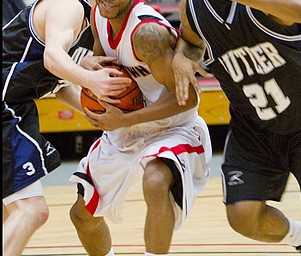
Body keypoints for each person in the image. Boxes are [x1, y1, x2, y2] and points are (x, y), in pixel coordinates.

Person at [171, 0, 301, 255]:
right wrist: (181, 56)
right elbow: (192, 41)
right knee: (243, 217)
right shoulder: (192, 7)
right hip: (253, 128)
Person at [68, 0, 212, 255]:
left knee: (155, 182)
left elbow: (188, 97)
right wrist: (89, 65)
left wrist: (125, 120)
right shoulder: (98, 14)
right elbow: (106, 68)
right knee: (82, 216)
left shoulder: (146, 34)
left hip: (172, 126)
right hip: (127, 127)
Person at [2, 0, 133, 255]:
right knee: (31, 210)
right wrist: (92, 81)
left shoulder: (90, 20)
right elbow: (53, 59)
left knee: (9, 214)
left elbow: (59, 82)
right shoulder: (68, 6)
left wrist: (99, 115)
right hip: (7, 106)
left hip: (14, 104)